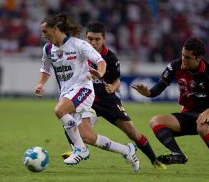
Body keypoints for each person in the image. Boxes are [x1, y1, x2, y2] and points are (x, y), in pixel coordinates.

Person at [35, 13, 140, 172]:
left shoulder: (78, 45)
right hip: (67, 94)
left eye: (45, 31)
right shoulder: (48, 48)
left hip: (83, 89)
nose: (43, 35)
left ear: (55, 29)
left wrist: (100, 73)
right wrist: (40, 84)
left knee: (59, 110)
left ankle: (80, 150)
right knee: (88, 137)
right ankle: (126, 150)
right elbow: (46, 69)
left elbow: (100, 61)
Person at [62, 21, 165, 169]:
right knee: (71, 121)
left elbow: (117, 80)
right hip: (88, 100)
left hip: (107, 100)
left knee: (132, 132)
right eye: (90, 39)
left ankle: (154, 160)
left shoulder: (110, 58)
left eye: (97, 39)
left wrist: (113, 86)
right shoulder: (79, 53)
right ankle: (78, 149)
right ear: (86, 38)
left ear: (104, 39)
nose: (93, 42)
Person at [132, 37, 209, 176]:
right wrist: (148, 92)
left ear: (198, 58)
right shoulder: (175, 66)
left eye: (187, 57)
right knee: (155, 121)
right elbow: (158, 89)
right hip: (189, 113)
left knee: (202, 127)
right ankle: (178, 154)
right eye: (182, 55)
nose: (183, 60)